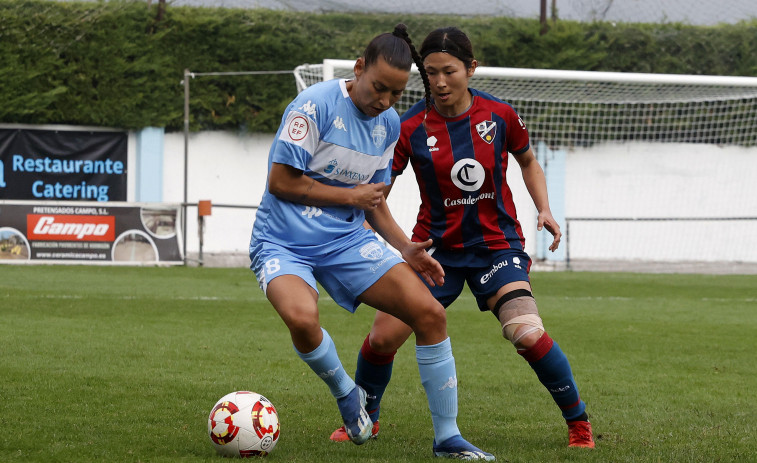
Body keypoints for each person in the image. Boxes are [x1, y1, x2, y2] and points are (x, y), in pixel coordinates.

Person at [329, 26, 595, 449]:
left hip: (496, 247)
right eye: (431, 72)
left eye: (449, 71)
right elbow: (380, 190)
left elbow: (529, 162)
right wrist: (376, 228)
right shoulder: (409, 125)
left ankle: (579, 423)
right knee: (382, 337)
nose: (439, 82)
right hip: (433, 253)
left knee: (525, 330)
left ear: (471, 68)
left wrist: (543, 207)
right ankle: (366, 419)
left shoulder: (500, 115)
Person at [249, 24, 495, 460]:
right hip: (283, 242)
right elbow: (281, 181)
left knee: (430, 313)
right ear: (359, 68)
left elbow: (374, 202)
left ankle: (448, 438)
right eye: (379, 87)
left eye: (396, 94)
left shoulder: (388, 125)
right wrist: (350, 196)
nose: (384, 101)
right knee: (303, 320)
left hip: (345, 240)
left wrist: (406, 248)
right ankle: (347, 395)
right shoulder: (313, 106)